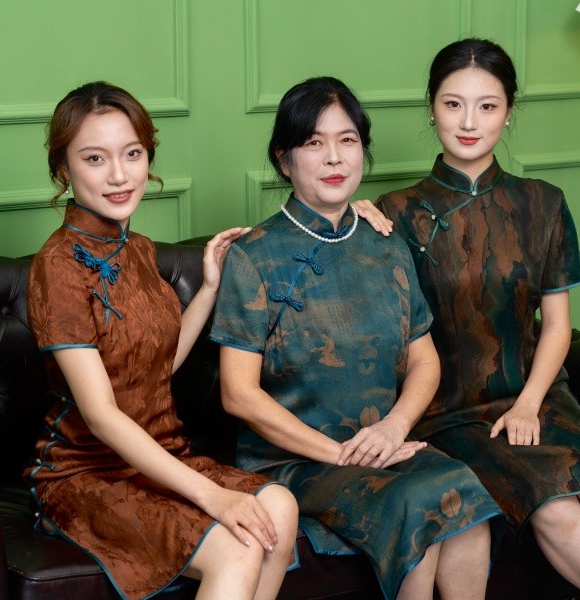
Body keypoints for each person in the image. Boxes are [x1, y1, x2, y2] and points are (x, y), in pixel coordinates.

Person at [364, 39, 580, 600]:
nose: (468, 122)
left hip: (538, 394)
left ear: (509, 112)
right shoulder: (395, 213)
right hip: (448, 411)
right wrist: (350, 218)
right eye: (453, 104)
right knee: (556, 509)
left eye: (487, 106)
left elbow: (558, 325)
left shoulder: (544, 202)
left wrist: (528, 403)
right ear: (430, 108)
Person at [210, 76, 504, 600]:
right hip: (294, 462)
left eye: (347, 140)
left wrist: (394, 428)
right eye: (313, 142)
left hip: (380, 445)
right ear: (284, 160)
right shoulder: (253, 256)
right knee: (420, 505)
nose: (333, 157)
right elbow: (238, 394)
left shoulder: (387, 244)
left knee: (468, 506)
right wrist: (341, 454)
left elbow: (425, 361)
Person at [25, 81, 298, 600]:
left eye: (132, 154)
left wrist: (209, 289)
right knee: (238, 546)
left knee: (279, 507)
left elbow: (154, 371)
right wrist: (212, 496)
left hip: (158, 454)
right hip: (86, 473)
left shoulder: (140, 250)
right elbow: (102, 415)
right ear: (63, 168)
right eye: (94, 158)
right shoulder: (57, 266)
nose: (119, 174)